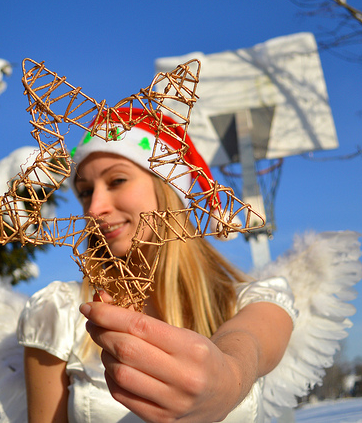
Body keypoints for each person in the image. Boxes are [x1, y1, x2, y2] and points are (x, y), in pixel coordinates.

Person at [17, 108, 297, 423]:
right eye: (84, 192)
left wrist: (228, 376)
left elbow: (250, 343)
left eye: (117, 180)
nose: (94, 208)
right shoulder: (60, 313)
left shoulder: (250, 302)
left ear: (169, 186)